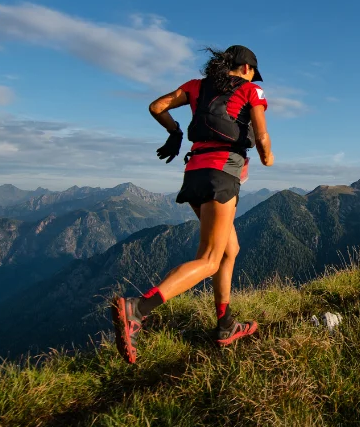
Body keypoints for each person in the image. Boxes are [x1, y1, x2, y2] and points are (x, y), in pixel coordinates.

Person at [110, 45, 274, 364]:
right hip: (221, 173)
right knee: (210, 259)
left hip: (194, 173)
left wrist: (175, 131)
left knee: (229, 250)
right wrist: (267, 157)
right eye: (253, 71)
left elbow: (157, 106)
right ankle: (137, 310)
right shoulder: (252, 90)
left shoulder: (195, 86)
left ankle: (226, 324)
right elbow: (263, 136)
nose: (253, 76)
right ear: (245, 68)